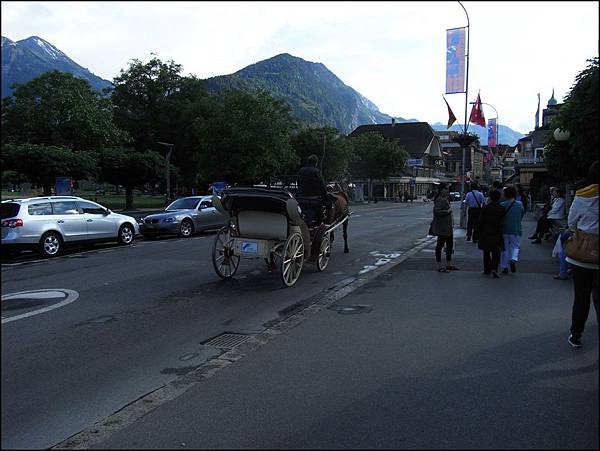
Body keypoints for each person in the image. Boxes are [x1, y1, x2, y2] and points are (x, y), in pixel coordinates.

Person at [565, 160, 599, 349]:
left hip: (583, 256)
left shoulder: (583, 196)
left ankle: (576, 335)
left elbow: (572, 224)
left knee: (581, 297)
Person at [431, 183, 459, 273]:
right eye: (446, 189)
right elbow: (437, 212)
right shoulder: (439, 200)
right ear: (441, 190)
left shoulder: (445, 198)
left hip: (447, 227)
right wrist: (447, 211)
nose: (447, 190)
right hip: (442, 227)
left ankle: (448, 264)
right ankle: (439, 265)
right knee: (440, 245)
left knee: (449, 246)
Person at [478, 189, 504, 278]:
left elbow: (481, 221)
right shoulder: (501, 208)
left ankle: (486, 269)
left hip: (486, 231)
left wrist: (479, 231)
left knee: (486, 251)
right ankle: (494, 268)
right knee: (496, 251)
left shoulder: (485, 207)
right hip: (497, 231)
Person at [297, 154, 330, 222]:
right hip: (314, 199)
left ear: (308, 161)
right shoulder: (316, 171)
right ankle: (323, 217)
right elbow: (322, 185)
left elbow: (298, 183)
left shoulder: (301, 170)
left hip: (301, 198)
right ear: (316, 163)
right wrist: (325, 195)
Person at [499, 186, 525, 274]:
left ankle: (504, 267)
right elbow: (522, 215)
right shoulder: (519, 204)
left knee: (504, 249)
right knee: (515, 246)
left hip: (504, 229)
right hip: (516, 229)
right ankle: (513, 259)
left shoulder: (502, 205)